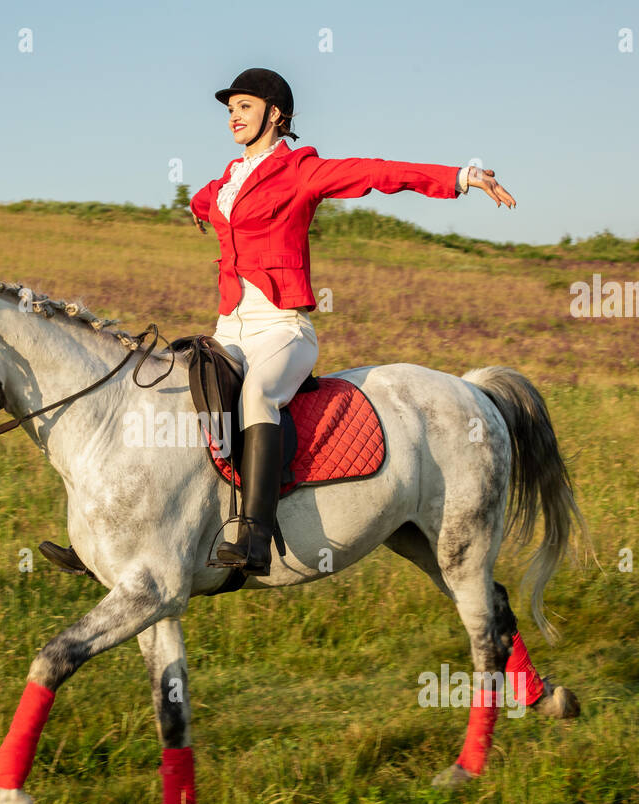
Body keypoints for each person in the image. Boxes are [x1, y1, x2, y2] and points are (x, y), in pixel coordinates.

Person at [40, 67, 516, 580]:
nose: (233, 118)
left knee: (257, 397)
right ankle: (115, 544)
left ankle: (255, 535)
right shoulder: (225, 181)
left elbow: (375, 172)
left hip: (283, 330)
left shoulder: (301, 172)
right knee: (176, 398)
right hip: (229, 331)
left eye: (244, 107)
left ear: (275, 114)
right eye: (229, 110)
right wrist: (200, 209)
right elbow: (207, 198)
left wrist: (460, 178)